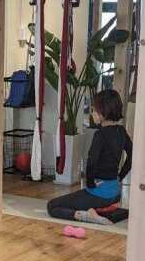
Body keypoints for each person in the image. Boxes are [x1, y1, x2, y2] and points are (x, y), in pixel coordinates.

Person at [47, 89, 133, 225]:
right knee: (82, 199)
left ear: (103, 112)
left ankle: (85, 215)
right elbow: (132, 156)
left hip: (99, 195)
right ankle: (104, 211)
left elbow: (91, 163)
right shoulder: (122, 131)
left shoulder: (100, 135)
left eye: (94, 110)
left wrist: (90, 183)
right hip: (116, 194)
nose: (92, 113)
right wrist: (120, 177)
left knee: (52, 206)